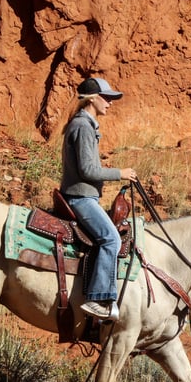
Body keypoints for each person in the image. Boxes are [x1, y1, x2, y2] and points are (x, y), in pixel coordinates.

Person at [60, 77, 137, 321]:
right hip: (80, 198)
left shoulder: (84, 124)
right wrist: (120, 173)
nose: (110, 103)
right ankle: (98, 299)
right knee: (111, 239)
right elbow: (88, 171)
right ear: (92, 98)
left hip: (84, 196)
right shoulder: (83, 126)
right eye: (107, 98)